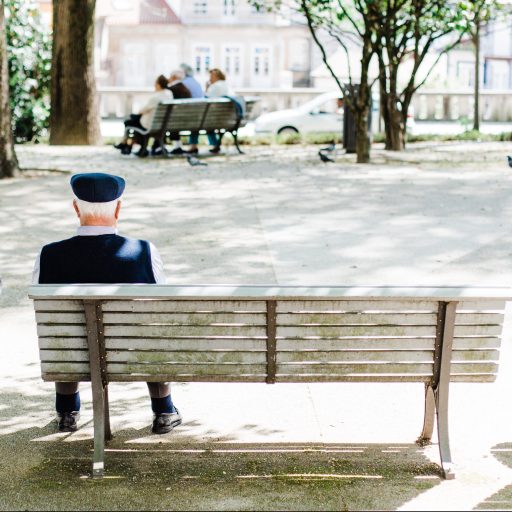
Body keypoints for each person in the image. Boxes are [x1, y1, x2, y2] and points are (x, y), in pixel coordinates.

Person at [32, 173, 182, 435]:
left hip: (74, 355)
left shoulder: (48, 255)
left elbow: (46, 310)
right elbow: (160, 303)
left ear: (76, 208)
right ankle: (164, 410)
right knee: (152, 329)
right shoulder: (143, 251)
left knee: (65, 332)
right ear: (119, 208)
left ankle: (66, 411)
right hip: (132, 353)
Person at [115, 74, 172, 156]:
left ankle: (126, 144)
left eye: (155, 84)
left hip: (151, 125)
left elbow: (141, 111)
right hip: (163, 124)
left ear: (158, 85)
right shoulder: (169, 94)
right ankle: (127, 144)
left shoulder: (156, 98)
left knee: (130, 121)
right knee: (133, 120)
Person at [185, 68, 233, 155]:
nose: (210, 78)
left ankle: (193, 146)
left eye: (211, 76)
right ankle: (215, 145)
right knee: (208, 123)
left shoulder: (214, 86)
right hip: (224, 118)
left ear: (216, 77)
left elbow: (206, 100)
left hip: (213, 117)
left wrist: (207, 88)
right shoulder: (226, 85)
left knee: (196, 123)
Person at [164, 69, 192, 156]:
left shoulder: (171, 90)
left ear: (174, 77)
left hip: (174, 120)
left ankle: (158, 146)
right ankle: (177, 146)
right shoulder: (186, 89)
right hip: (186, 120)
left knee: (165, 119)